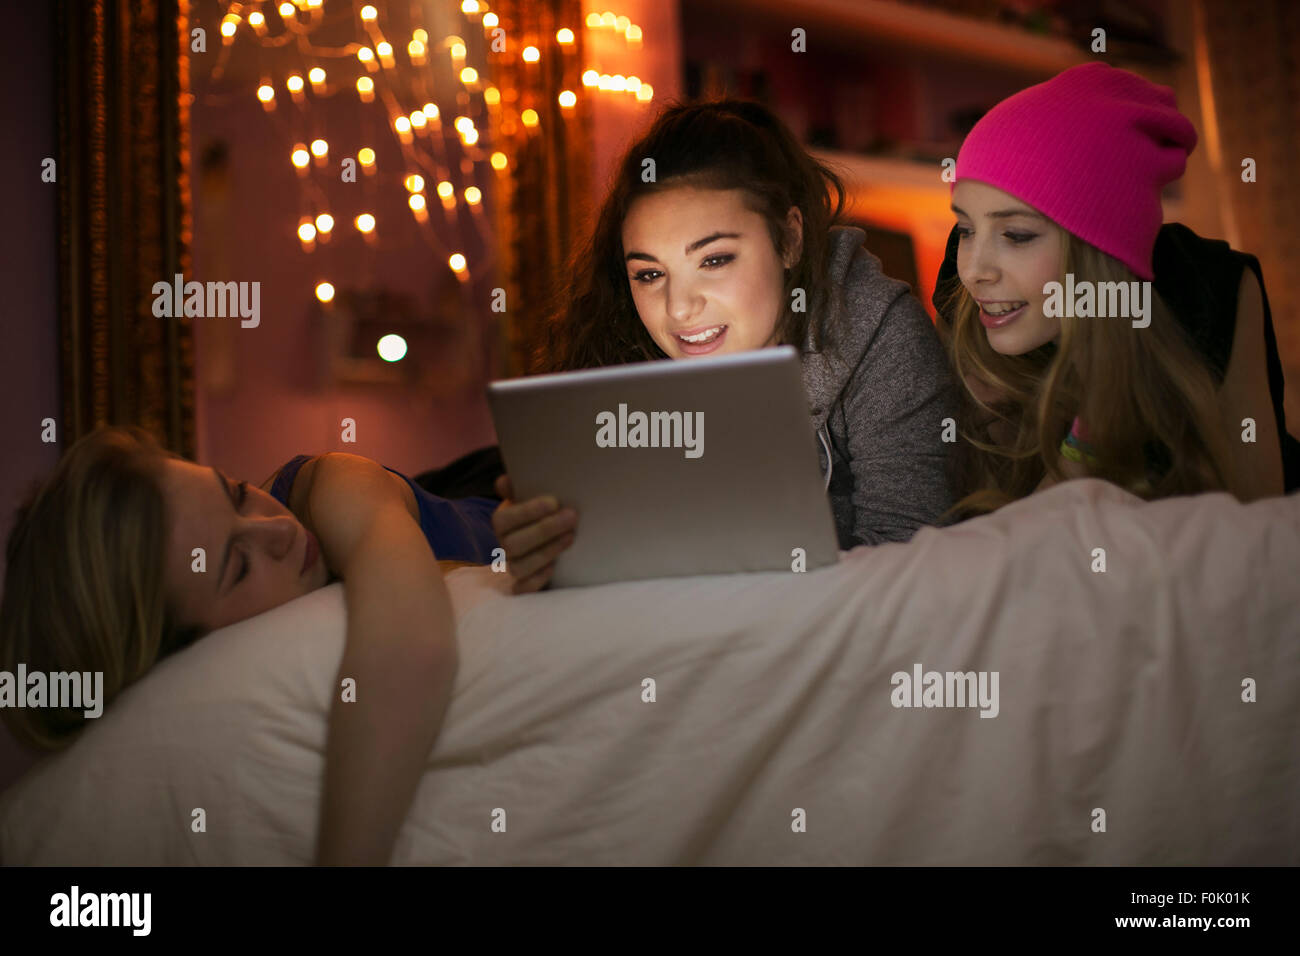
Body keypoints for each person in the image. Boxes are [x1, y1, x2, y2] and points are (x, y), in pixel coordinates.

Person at [494, 99, 956, 592]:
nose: (678, 309)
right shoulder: (618, 358)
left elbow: (907, 561)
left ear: (789, 240)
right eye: (650, 274)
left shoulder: (881, 334)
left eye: (714, 260)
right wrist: (546, 553)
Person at [0, 425, 500, 865]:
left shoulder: (329, 487)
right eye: (237, 566)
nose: (280, 527)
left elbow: (413, 649)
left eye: (238, 493)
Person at [931, 62, 1297, 516]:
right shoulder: (968, 301)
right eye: (965, 228)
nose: (975, 272)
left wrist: (1099, 414)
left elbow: (1255, 535)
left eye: (1017, 235)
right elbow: (1003, 536)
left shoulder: (1210, 288)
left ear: (1100, 253)